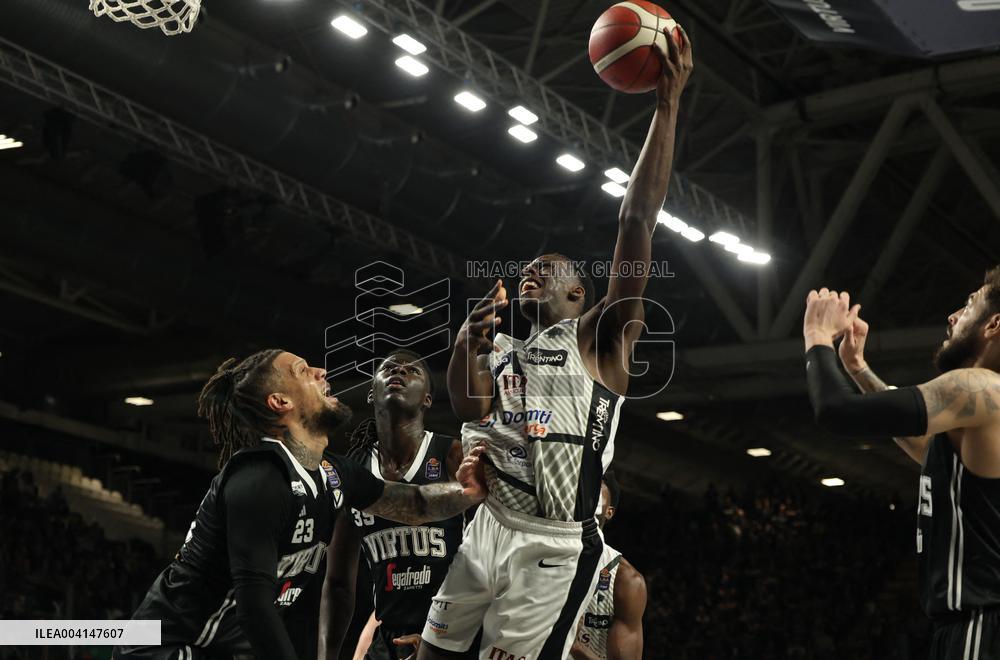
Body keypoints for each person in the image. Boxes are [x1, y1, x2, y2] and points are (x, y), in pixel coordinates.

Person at [417, 28, 694, 660]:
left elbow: (635, 220)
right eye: (530, 266)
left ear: (580, 292)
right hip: (488, 525)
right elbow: (468, 412)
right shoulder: (503, 349)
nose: (535, 270)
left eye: (554, 267)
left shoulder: (600, 339)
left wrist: (667, 105)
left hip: (552, 541)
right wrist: (464, 349)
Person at [113, 349, 486, 660]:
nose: (322, 371)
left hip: (221, 645)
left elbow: (415, 504)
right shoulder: (259, 479)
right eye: (303, 371)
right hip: (163, 646)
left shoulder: (335, 473)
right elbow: (255, 605)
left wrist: (468, 493)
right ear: (281, 402)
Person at [802, 269, 1000, 659]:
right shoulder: (982, 411)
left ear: (994, 324)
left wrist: (816, 336)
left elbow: (837, 412)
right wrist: (858, 369)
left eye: (970, 303)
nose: (953, 316)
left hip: (983, 625)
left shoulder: (981, 387)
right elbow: (928, 448)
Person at [318, 350, 474, 660]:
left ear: (428, 399)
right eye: (389, 368)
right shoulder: (353, 472)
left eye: (411, 371)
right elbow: (337, 584)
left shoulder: (451, 453)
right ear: (371, 393)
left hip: (450, 635)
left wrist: (441, 638)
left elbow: (488, 557)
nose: (399, 372)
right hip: (388, 637)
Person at [570, 471, 646, 660]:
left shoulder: (625, 580)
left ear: (609, 511)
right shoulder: (539, 549)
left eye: (596, 495)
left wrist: (574, 646)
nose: (588, 499)